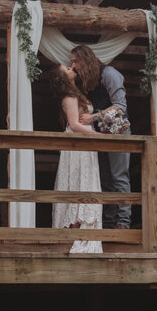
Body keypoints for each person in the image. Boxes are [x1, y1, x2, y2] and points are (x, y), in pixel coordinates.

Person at [70, 44, 132, 229]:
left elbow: (120, 106)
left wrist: (94, 117)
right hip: (100, 133)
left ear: (85, 60)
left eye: (75, 61)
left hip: (118, 132)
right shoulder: (88, 80)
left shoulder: (109, 74)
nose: (73, 66)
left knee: (119, 176)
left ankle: (123, 222)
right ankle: (109, 220)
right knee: (104, 178)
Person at [47, 63, 102, 253]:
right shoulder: (69, 97)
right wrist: (98, 136)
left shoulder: (76, 94)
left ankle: (86, 232)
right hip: (78, 145)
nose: (72, 68)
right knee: (78, 183)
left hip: (85, 144)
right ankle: (76, 233)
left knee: (85, 181)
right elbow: (74, 124)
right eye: (68, 69)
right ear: (63, 78)